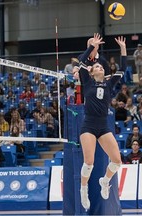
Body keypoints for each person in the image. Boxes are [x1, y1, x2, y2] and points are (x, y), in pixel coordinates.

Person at [78, 34, 126, 210]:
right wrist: (92, 47)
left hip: (103, 125)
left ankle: (104, 181)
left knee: (117, 161)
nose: (99, 67)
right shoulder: (87, 81)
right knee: (89, 162)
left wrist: (122, 48)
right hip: (88, 125)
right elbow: (83, 61)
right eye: (96, 66)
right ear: (91, 71)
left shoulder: (109, 83)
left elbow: (124, 66)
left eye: (100, 66)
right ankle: (83, 189)